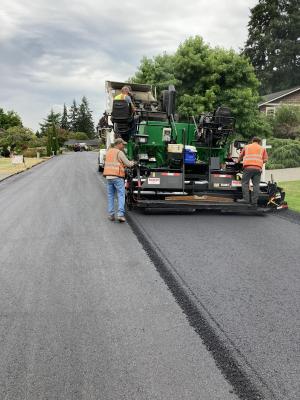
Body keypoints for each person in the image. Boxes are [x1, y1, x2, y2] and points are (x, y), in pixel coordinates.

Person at [103, 138, 135, 222]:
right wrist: (133, 162)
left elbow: (106, 163)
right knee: (121, 195)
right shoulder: (119, 152)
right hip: (117, 177)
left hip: (109, 177)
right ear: (119, 144)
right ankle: (120, 215)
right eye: (123, 144)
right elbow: (128, 163)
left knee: (111, 196)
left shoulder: (108, 151)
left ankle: (111, 215)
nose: (123, 146)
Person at [236, 137, 268, 206]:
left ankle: (246, 200)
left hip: (248, 168)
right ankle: (254, 202)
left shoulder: (247, 147)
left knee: (245, 183)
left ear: (252, 141)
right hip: (258, 169)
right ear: (259, 142)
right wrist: (259, 162)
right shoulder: (262, 148)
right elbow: (265, 160)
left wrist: (238, 161)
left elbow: (241, 156)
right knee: (256, 185)